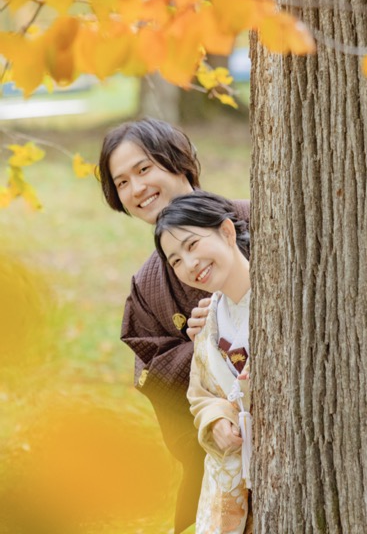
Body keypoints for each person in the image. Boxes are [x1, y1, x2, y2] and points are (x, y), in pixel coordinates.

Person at [98, 118, 250, 534]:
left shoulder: (251, 216)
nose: (136, 188)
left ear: (178, 161)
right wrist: (202, 343)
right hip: (224, 444)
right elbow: (156, 370)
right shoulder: (148, 285)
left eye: (144, 169)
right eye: (122, 182)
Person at [155, 191, 252, 534]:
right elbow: (200, 395)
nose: (189, 264)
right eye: (176, 261)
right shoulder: (208, 323)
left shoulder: (280, 297)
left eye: (193, 244)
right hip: (236, 480)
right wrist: (217, 419)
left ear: (226, 231)